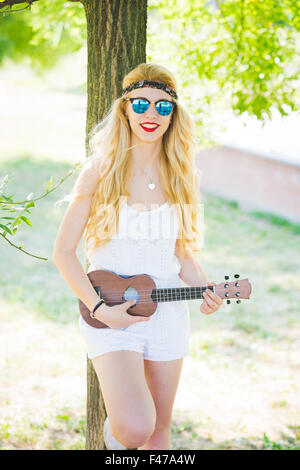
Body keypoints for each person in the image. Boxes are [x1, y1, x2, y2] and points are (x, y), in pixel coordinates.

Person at [52, 63, 223, 450]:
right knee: (133, 427)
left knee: (159, 434)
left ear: (173, 115)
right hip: (111, 312)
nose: (151, 114)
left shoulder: (182, 175)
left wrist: (206, 288)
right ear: (124, 109)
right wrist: (98, 309)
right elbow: (63, 253)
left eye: (163, 107)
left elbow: (181, 252)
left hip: (168, 313)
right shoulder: (100, 171)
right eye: (141, 103)